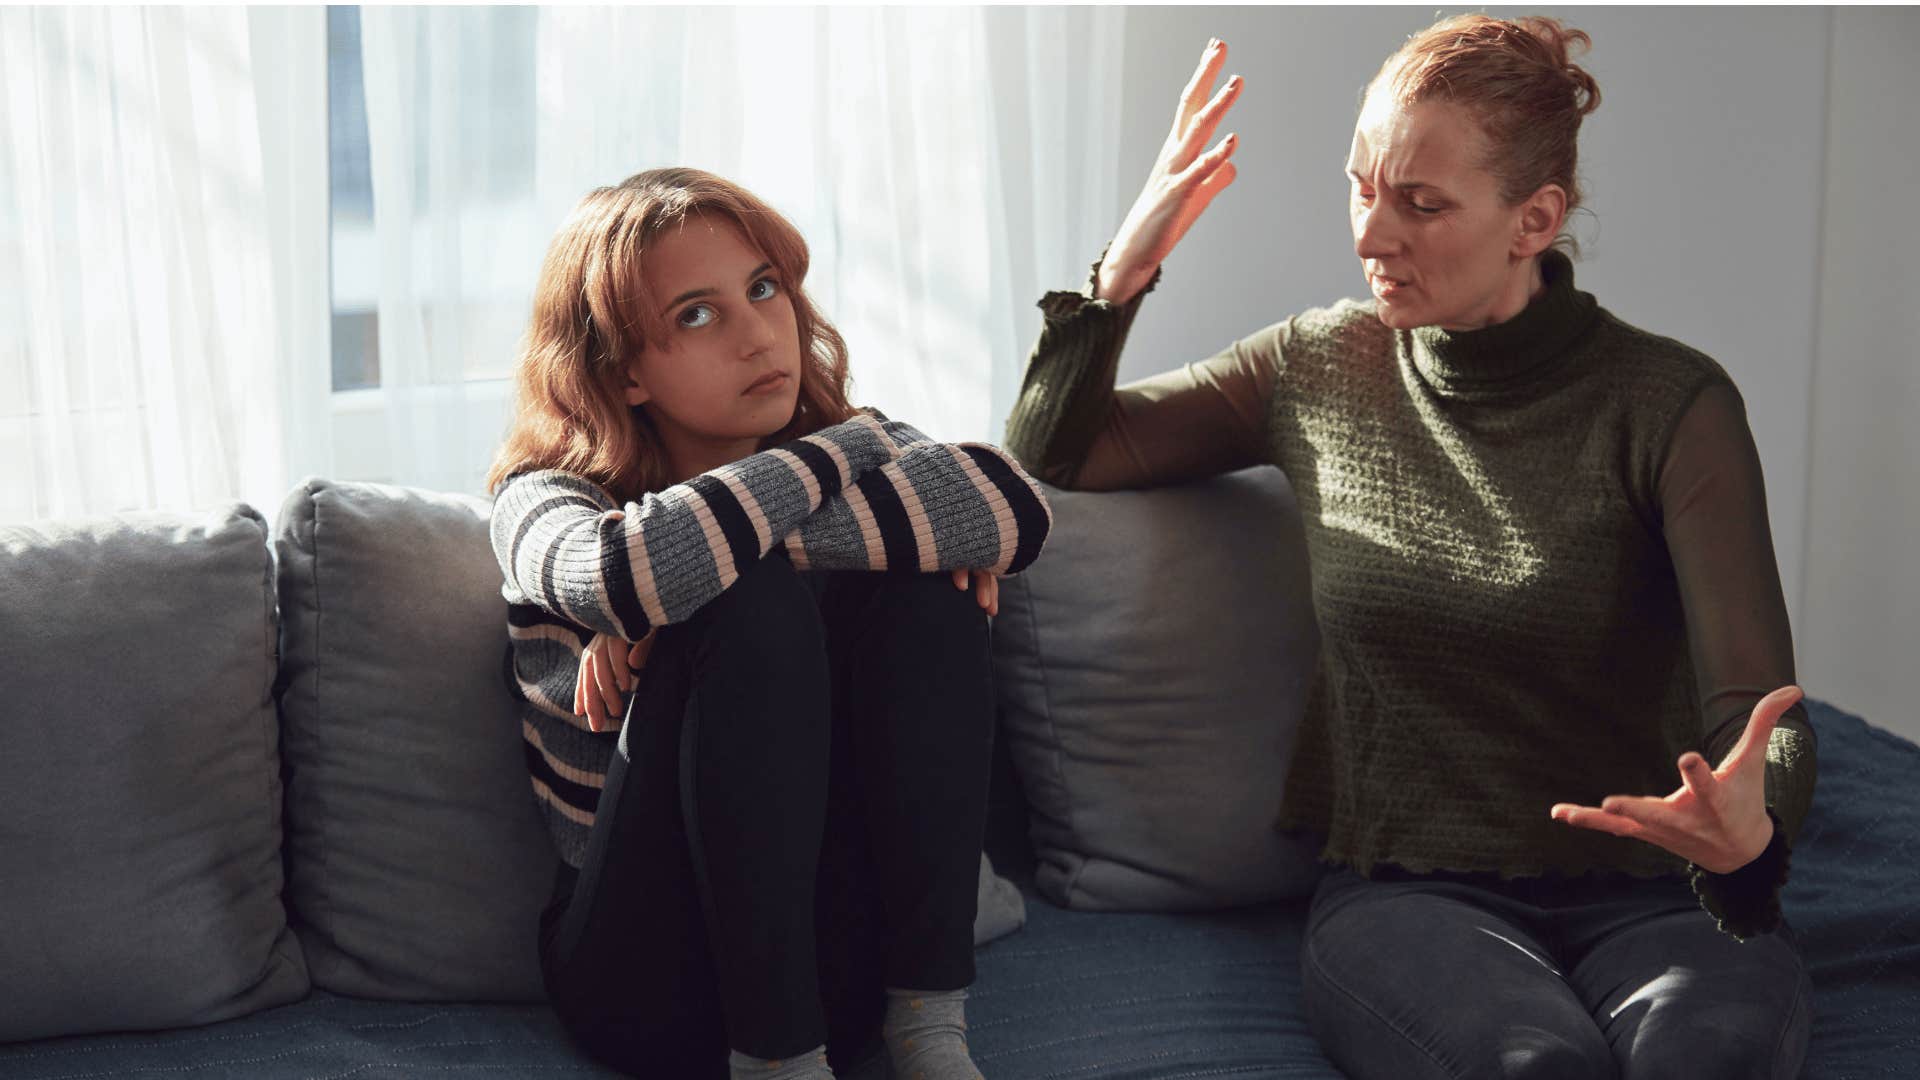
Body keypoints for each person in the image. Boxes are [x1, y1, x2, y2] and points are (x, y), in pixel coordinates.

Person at [1004, 16, 1815, 1079]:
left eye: (1421, 204)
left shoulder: (1670, 404)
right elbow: (1057, 453)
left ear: (1534, 220)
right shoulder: (1315, 365)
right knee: (1533, 1068)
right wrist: (1122, 272)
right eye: (1360, 187)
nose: (1370, 235)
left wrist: (1750, 835)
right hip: (1410, 895)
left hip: (1659, 892)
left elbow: (1760, 716)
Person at [487, 167, 1050, 1080]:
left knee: (924, 592)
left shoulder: (839, 446)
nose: (759, 336)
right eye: (698, 316)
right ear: (624, 371)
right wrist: (858, 458)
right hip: (644, 974)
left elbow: (1012, 509)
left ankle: (928, 1031)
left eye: (764, 290)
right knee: (740, 600)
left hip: (839, 966)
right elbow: (625, 568)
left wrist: (699, 577)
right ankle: (777, 1066)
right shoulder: (543, 500)